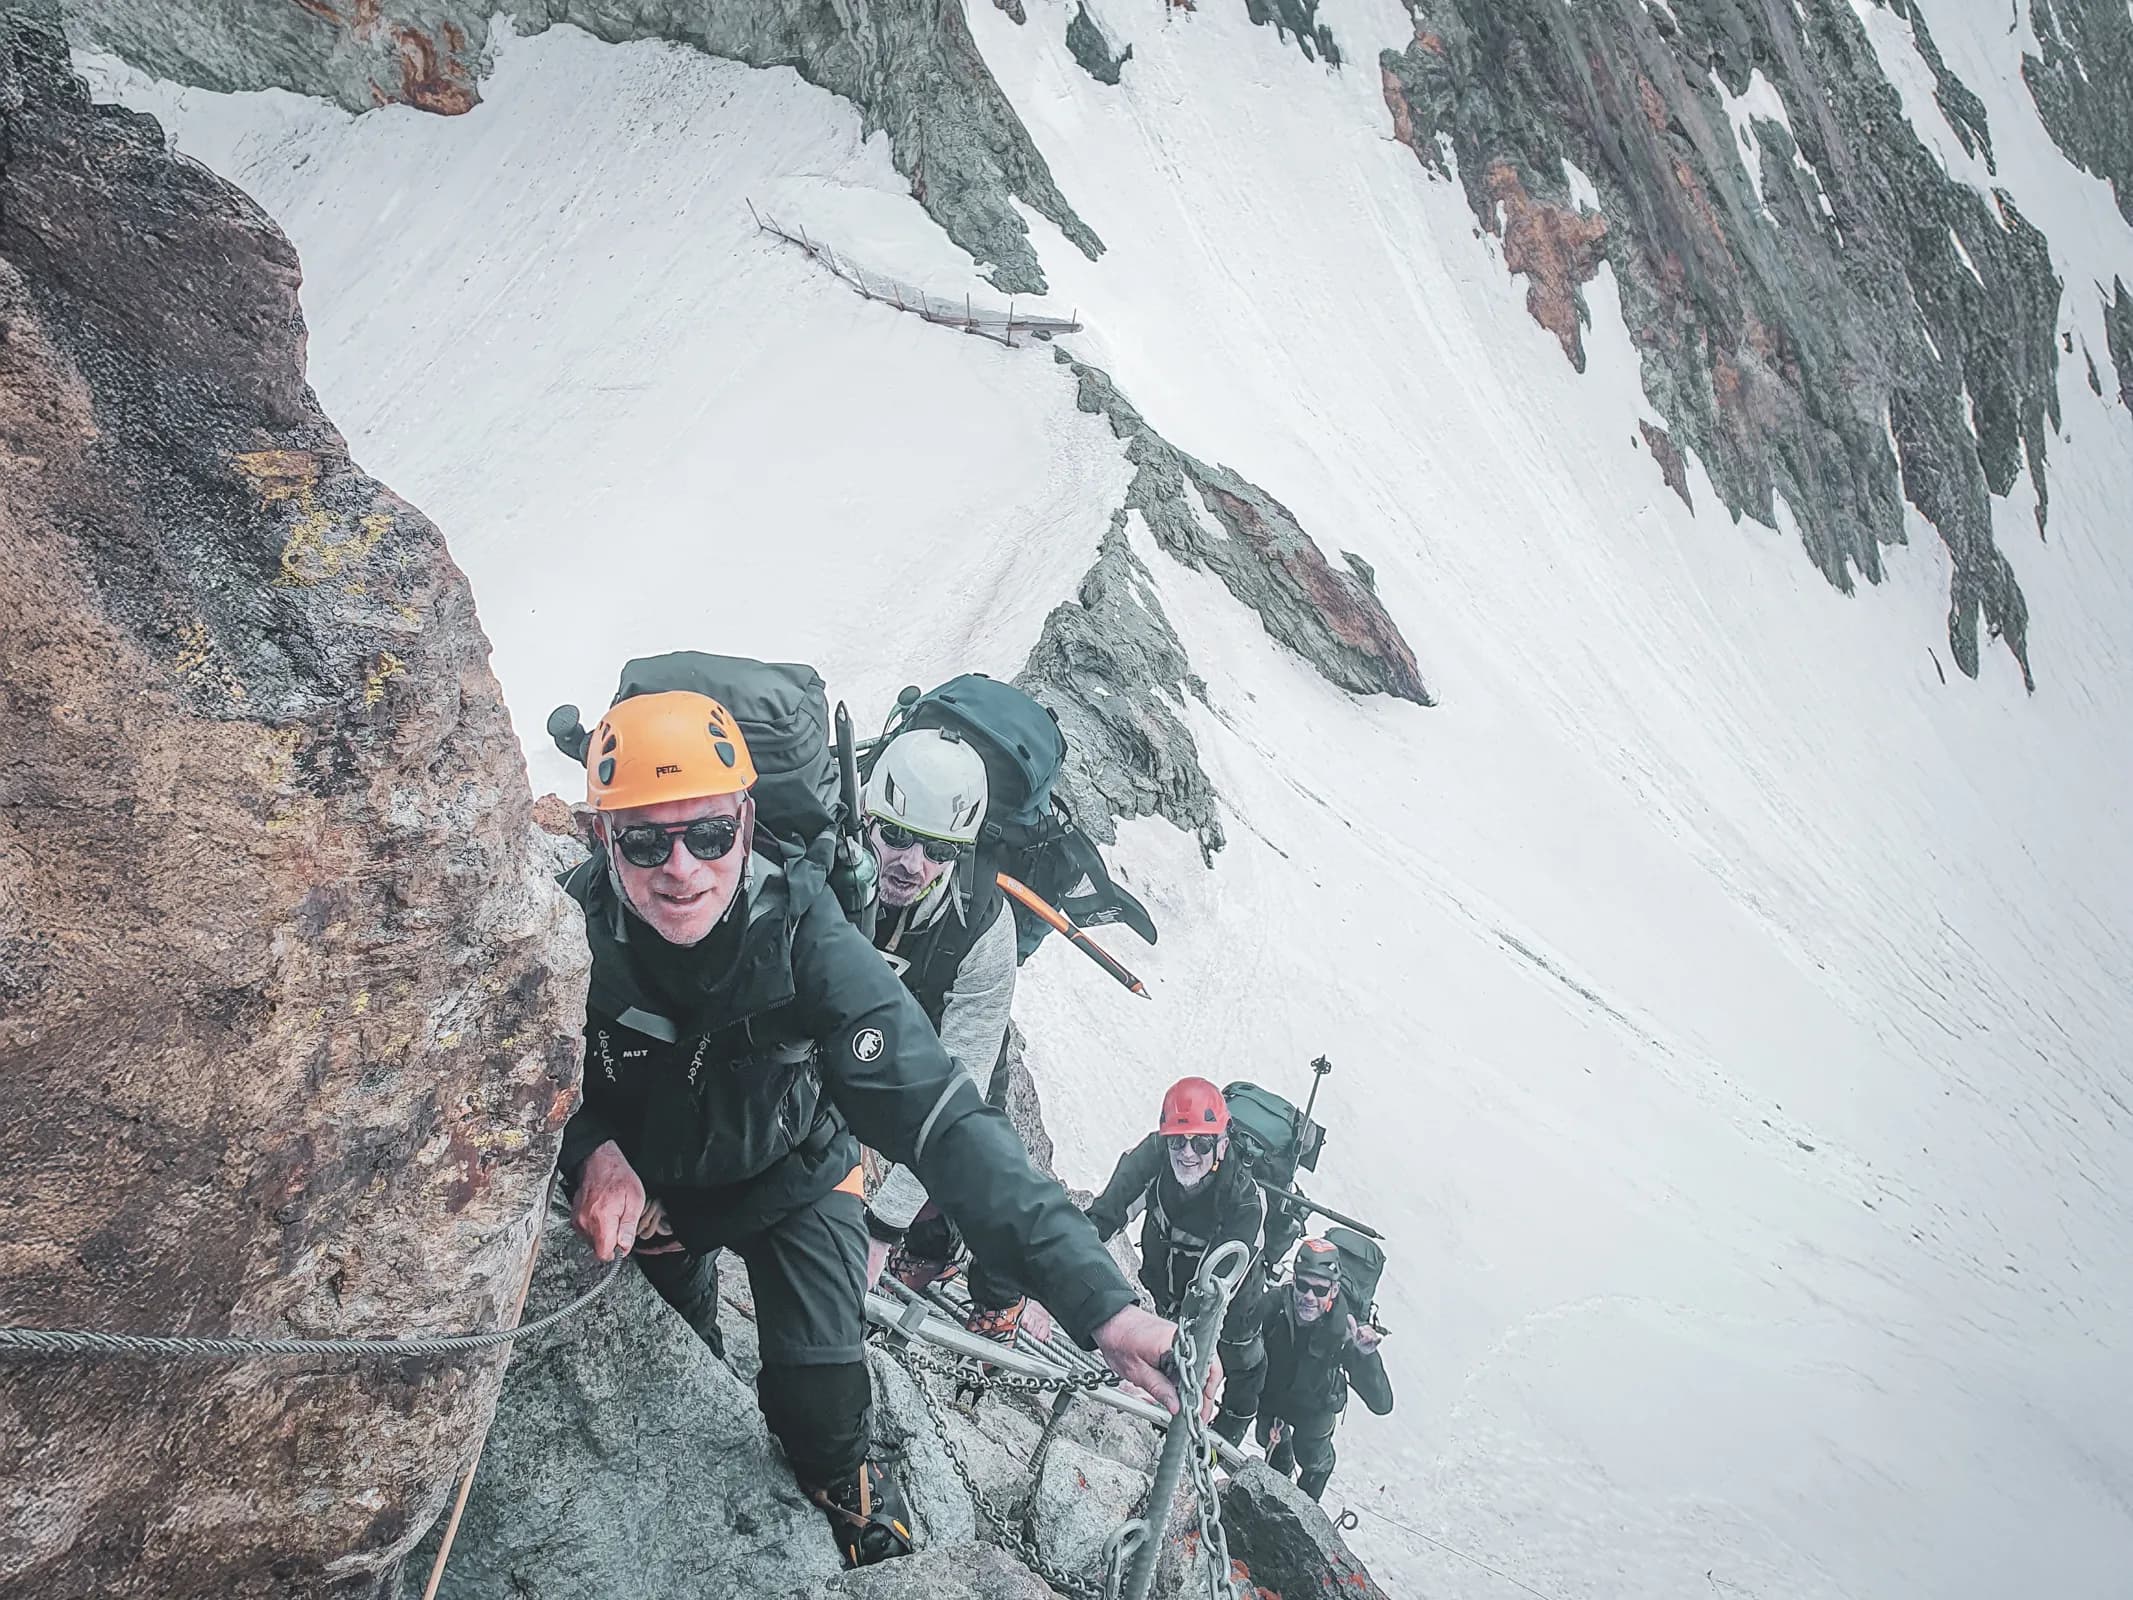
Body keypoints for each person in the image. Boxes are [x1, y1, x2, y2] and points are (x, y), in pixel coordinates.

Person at [555, 688, 1195, 1567]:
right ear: (601, 838)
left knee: (821, 1396)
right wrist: (593, 1149)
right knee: (677, 1342)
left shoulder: (809, 937)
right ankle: (704, 1346)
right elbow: (526, 1080)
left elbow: (945, 1117)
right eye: (642, 839)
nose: (681, 868)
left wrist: (1103, 1307)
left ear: (744, 823)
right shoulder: (562, 931)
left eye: (706, 834)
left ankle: (846, 1484)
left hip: (792, 1174)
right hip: (659, 1191)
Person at [852, 728, 1028, 1339]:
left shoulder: (983, 928)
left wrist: (881, 1229)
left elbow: (959, 1093)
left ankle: (962, 1269)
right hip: (861, 1028)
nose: (912, 864)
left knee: (976, 1161)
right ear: (867, 818)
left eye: (938, 850)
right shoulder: (828, 861)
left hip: (941, 1041)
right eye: (897, 837)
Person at [1086, 1078, 1269, 1439]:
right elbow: (1102, 1220)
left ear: (1222, 1144)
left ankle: (1218, 1449)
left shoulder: (1242, 1201)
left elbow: (1213, 1296)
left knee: (1242, 1368)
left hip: (1231, 1314)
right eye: (1177, 1141)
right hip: (1167, 1291)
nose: (1187, 1153)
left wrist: (1173, 1362)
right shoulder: (1152, 1158)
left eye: (1201, 1142)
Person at [1247, 1238, 1393, 1501]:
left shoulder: (1346, 1330)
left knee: (1312, 1459)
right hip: (1272, 1398)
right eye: (1302, 1285)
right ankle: (1272, 1499)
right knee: (1270, 1446)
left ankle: (1303, 1513)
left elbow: (1382, 1403)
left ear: (1334, 1291)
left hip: (1314, 1409)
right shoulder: (1274, 1305)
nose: (1309, 1297)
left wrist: (1365, 1356)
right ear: (1294, 1281)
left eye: (1320, 1289)